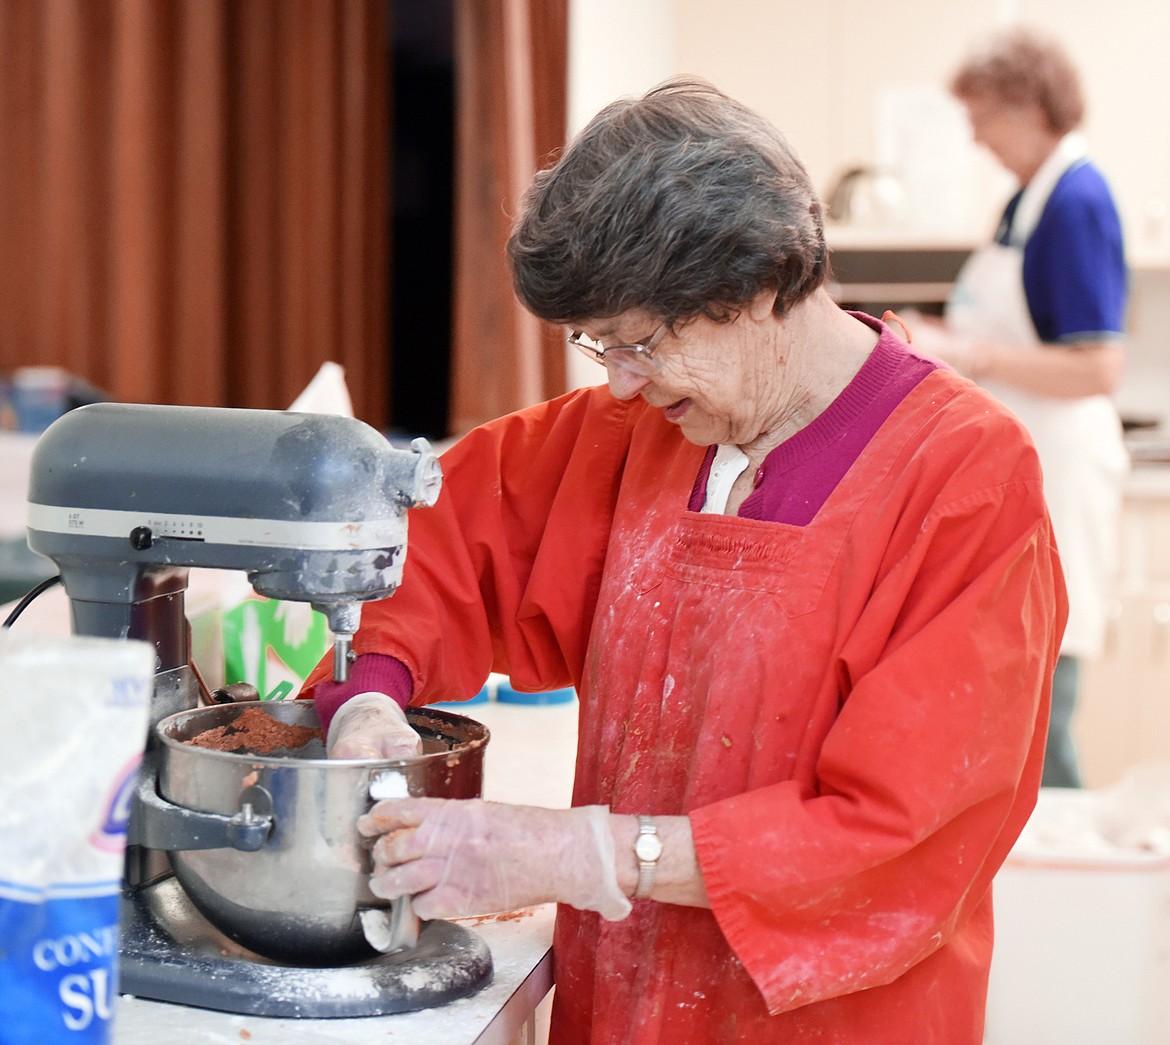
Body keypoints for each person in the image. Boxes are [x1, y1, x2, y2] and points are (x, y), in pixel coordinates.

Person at [301, 78, 1066, 1042]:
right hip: (617, 1006)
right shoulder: (633, 431)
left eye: (639, 342)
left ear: (751, 291)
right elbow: (436, 544)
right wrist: (371, 691)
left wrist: (590, 854)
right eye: (598, 345)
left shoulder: (967, 481)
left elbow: (899, 838)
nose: (619, 380)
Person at [911, 27, 1130, 789]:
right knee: (1017, 686)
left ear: (1028, 106)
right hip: (1029, 459)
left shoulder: (1076, 201)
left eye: (983, 117)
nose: (973, 135)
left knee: (1046, 690)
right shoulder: (1028, 201)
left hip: (1063, 464)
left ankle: (1069, 875)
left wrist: (971, 356)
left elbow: (1098, 364)